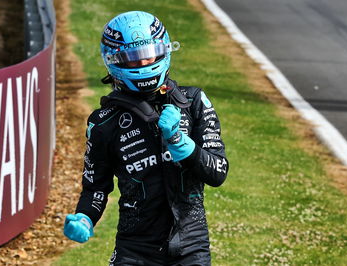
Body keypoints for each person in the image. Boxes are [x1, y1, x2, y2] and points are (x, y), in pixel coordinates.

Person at [63, 11, 229, 265]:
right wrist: (85, 218)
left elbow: (218, 172)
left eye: (149, 55)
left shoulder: (194, 101)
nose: (143, 64)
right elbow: (96, 186)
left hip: (191, 244)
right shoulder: (103, 122)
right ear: (113, 61)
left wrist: (178, 141)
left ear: (165, 49)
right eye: (133, 59)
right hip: (135, 248)